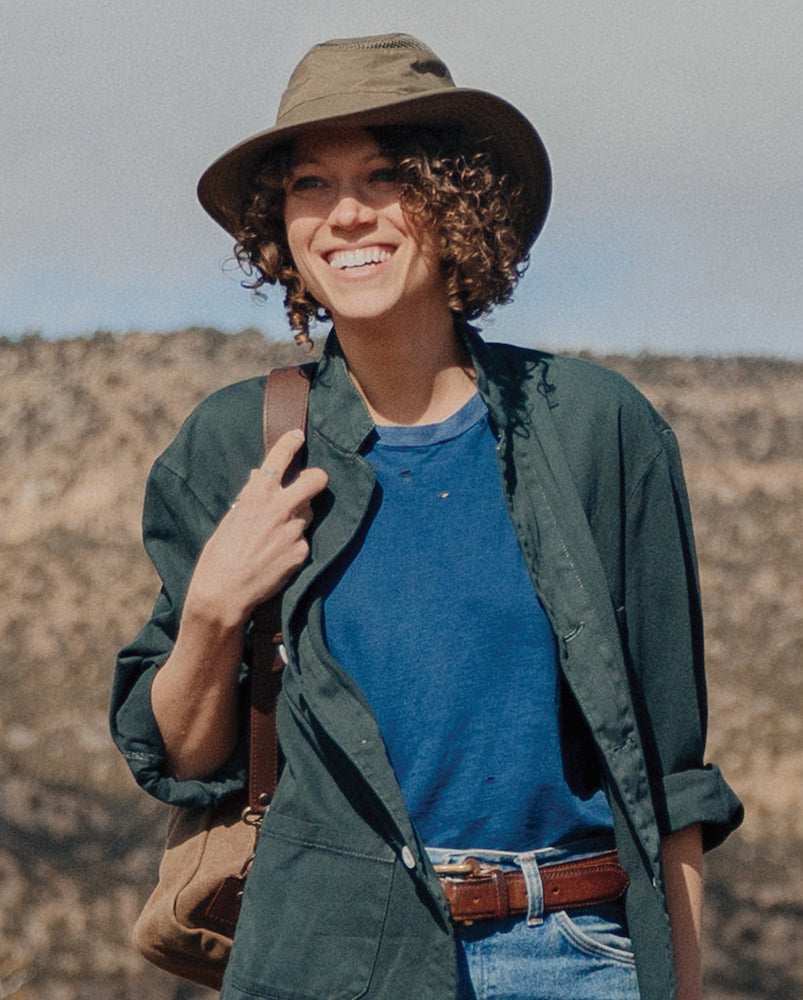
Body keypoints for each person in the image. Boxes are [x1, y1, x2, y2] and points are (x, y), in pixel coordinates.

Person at [111, 33, 742, 1000]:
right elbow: (184, 758)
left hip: (574, 956)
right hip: (325, 959)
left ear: (457, 201)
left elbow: (669, 777)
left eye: (385, 176)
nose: (346, 214)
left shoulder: (596, 428)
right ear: (282, 225)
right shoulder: (238, 440)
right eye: (312, 184)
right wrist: (212, 609)